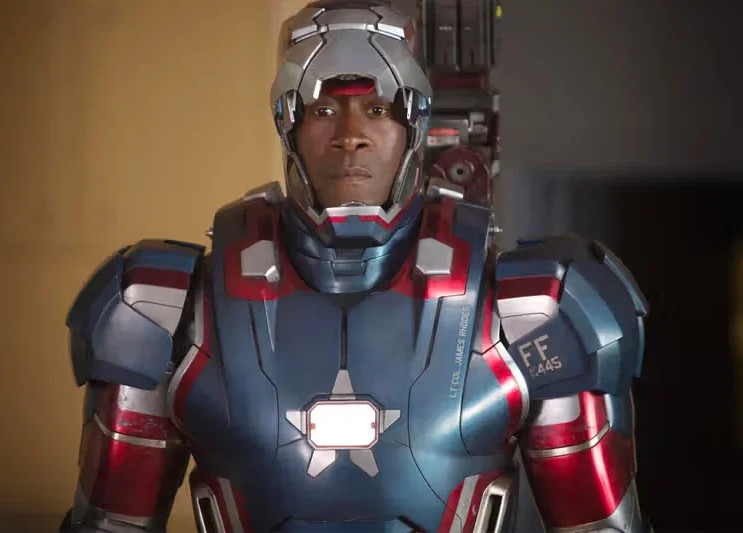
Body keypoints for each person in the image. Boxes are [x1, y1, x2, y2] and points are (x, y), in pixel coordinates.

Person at [61, 1, 651, 531]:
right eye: (323, 109)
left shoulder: (542, 309)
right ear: (288, 123)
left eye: (376, 108)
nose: (351, 137)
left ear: (413, 123)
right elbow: (110, 525)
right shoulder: (161, 309)